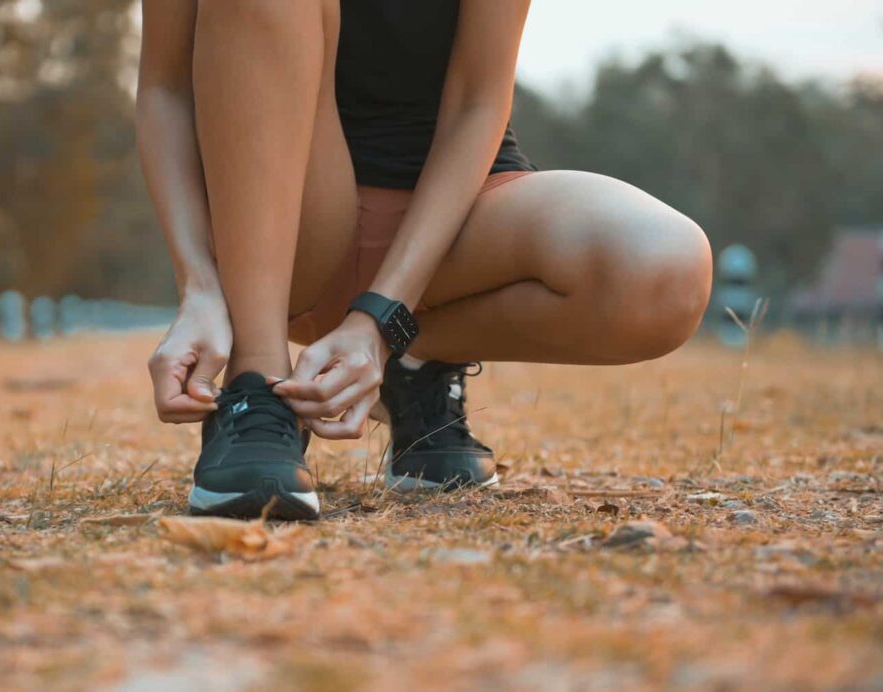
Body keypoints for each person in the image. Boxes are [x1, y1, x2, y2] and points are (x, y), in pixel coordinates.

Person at [136, 0, 713, 520]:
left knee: (663, 268)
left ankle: (412, 366)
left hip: (452, 228)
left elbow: (476, 102)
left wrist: (383, 320)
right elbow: (166, 88)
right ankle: (256, 386)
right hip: (285, 232)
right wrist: (200, 284)